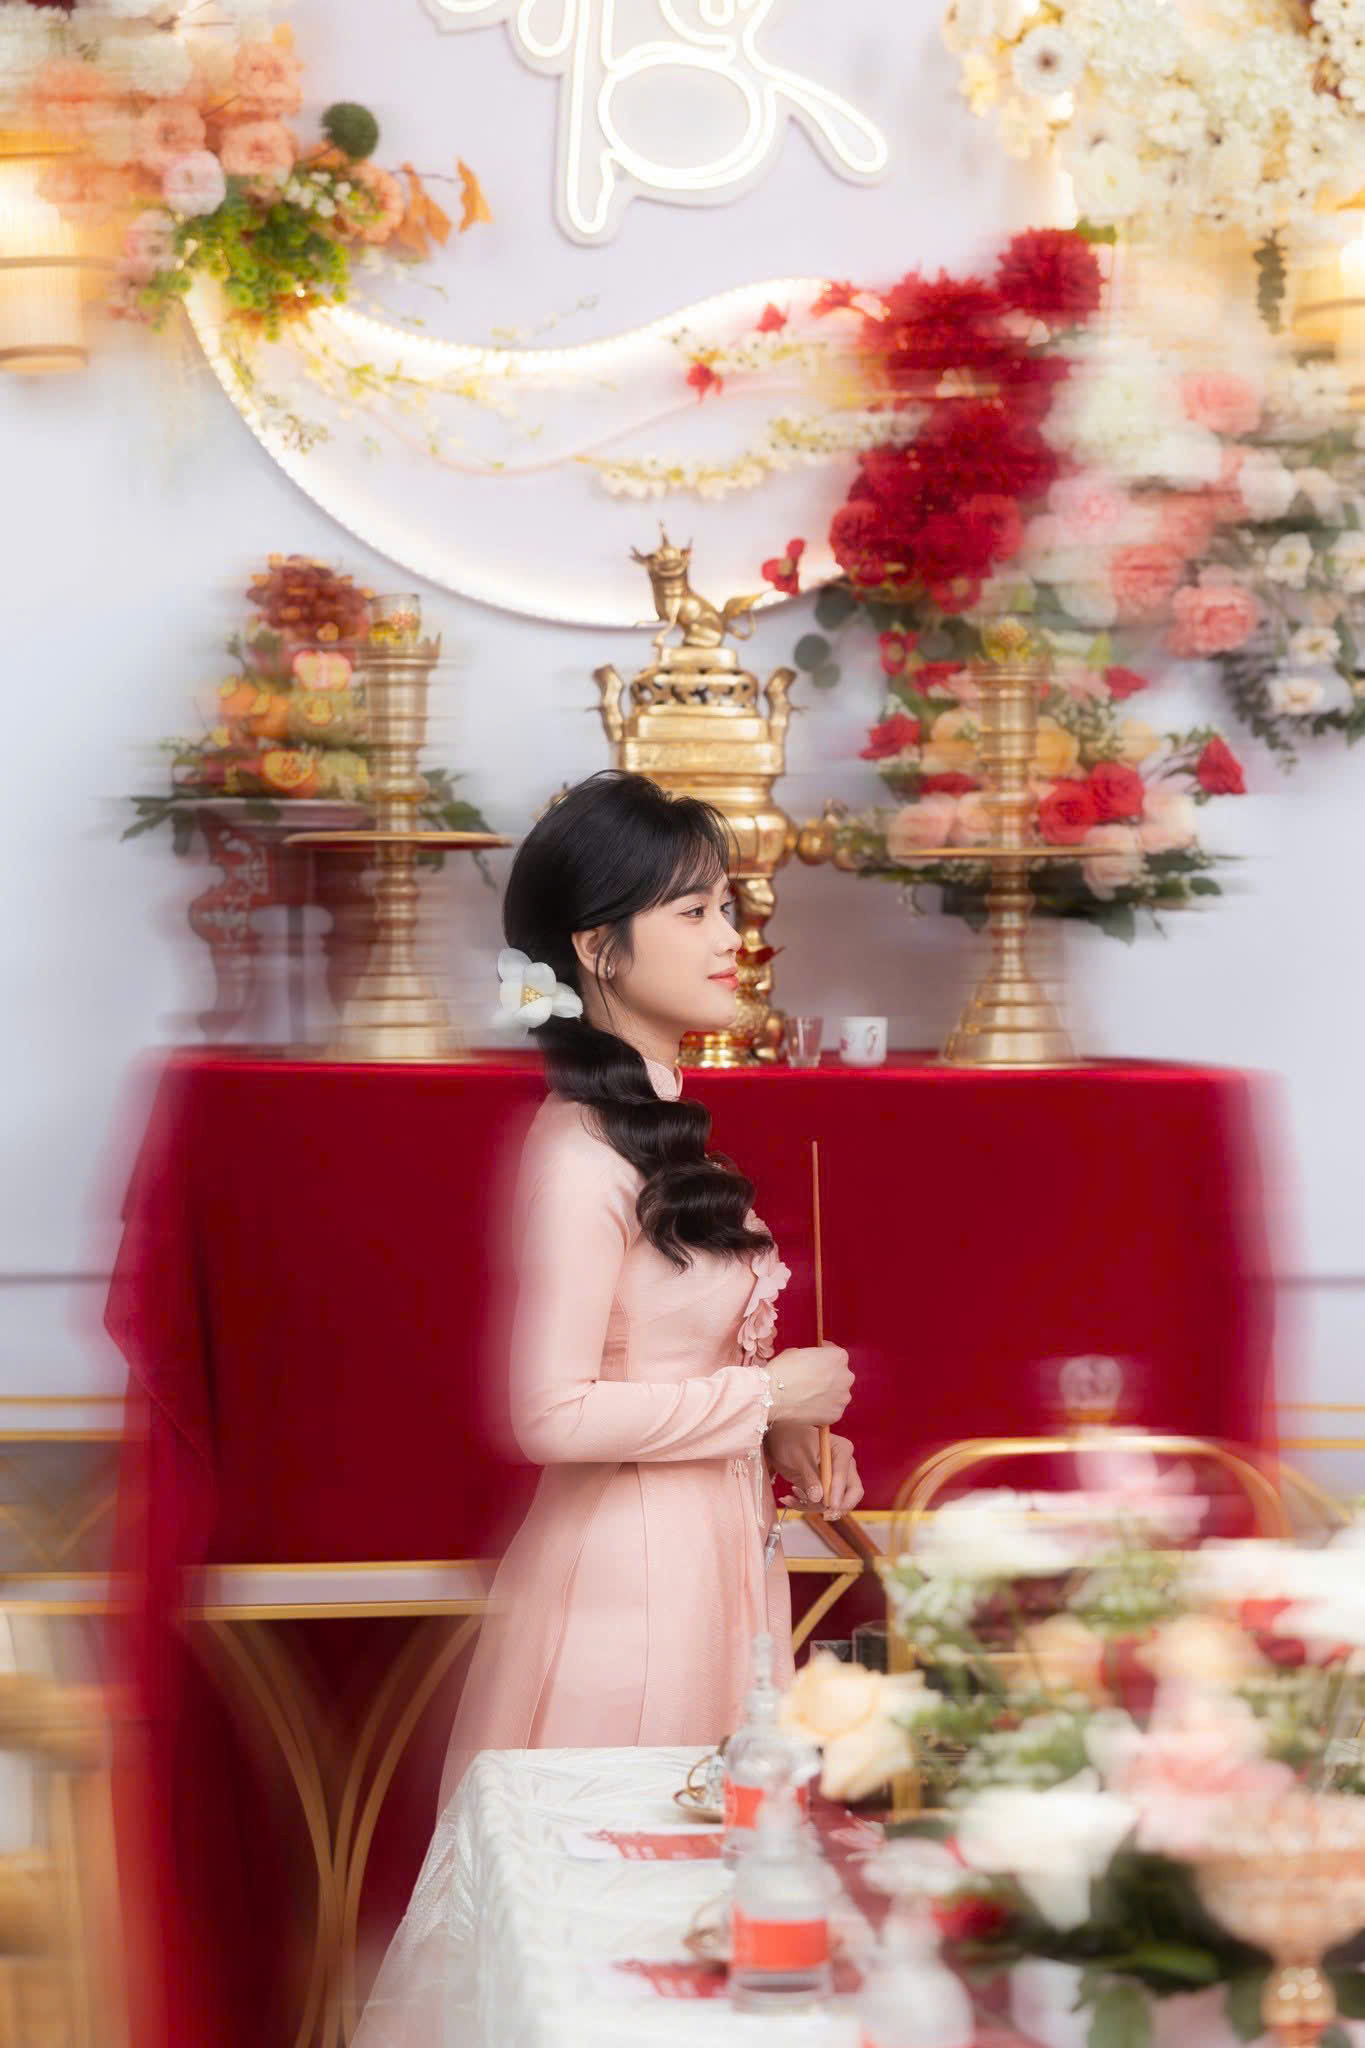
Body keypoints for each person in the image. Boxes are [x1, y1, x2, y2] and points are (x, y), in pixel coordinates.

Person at [353, 771, 857, 2040]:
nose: (733, 934)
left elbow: (665, 1359)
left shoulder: (669, 1136)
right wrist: (763, 1391)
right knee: (621, 1926)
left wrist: (786, 1426)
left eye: (730, 906)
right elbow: (552, 1412)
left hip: (718, 1560)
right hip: (629, 1589)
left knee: (709, 1921)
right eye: (696, 911)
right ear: (599, 947)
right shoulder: (577, 1154)